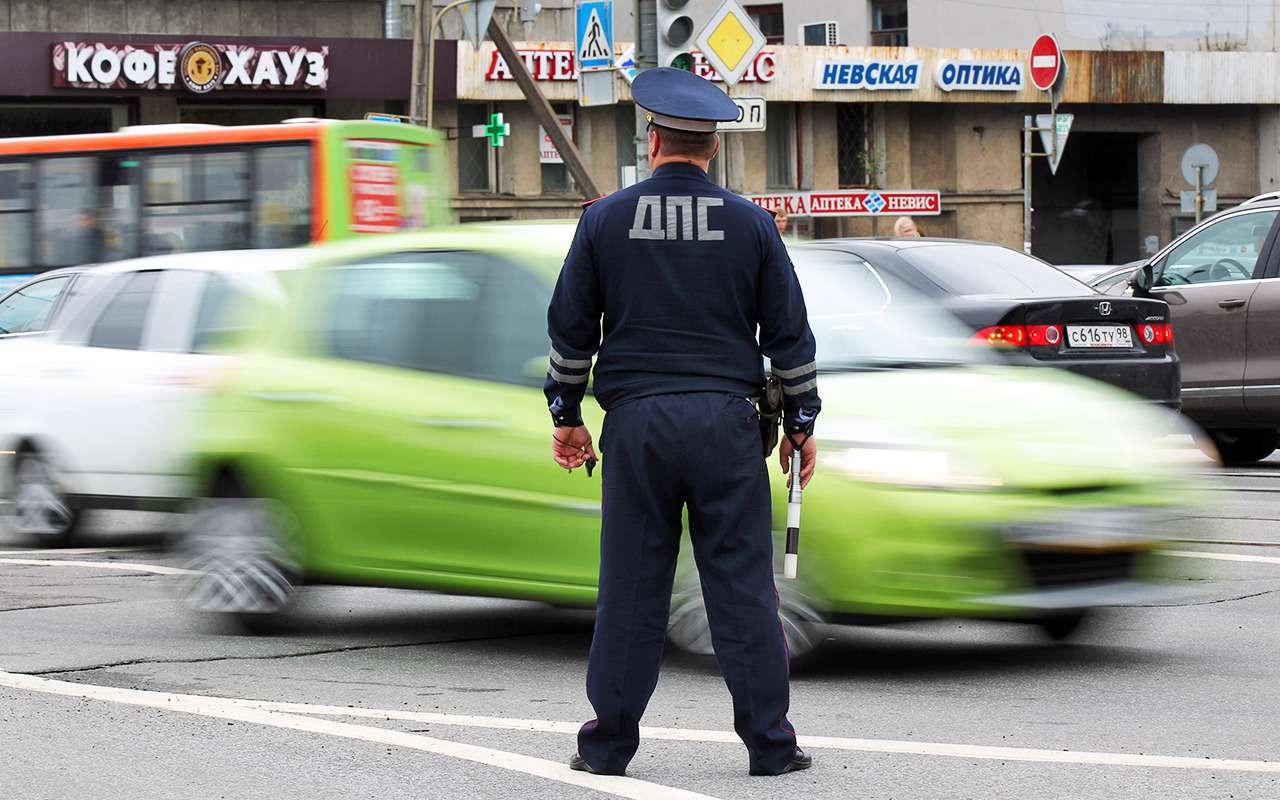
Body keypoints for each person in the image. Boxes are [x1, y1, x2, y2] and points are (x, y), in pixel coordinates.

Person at [544, 67, 821, 778]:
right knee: (741, 589)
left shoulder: (603, 220)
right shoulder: (753, 224)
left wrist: (566, 414)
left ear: (653, 138)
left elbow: (572, 332)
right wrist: (801, 422)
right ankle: (770, 745)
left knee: (632, 589)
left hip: (637, 427)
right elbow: (789, 334)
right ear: (714, 150)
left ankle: (607, 746)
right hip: (728, 428)